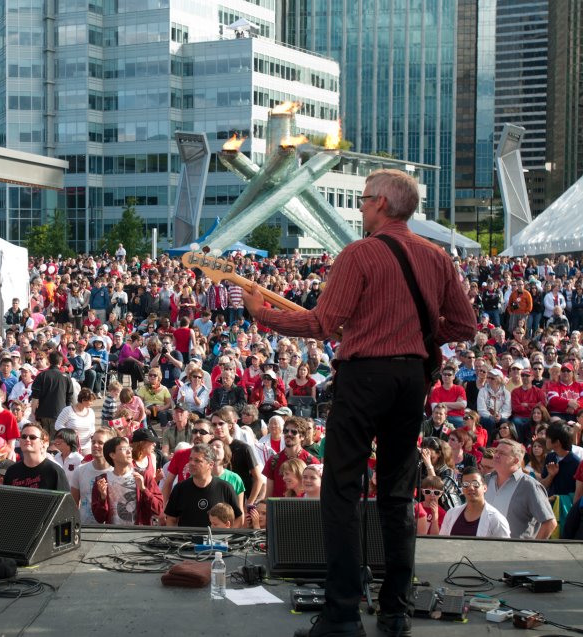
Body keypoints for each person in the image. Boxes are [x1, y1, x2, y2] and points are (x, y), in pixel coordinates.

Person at [243, 169, 476, 637]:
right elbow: (464, 325)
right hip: (412, 378)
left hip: (365, 375)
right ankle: (396, 610)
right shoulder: (437, 257)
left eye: (365, 198)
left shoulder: (360, 253)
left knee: (343, 490)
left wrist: (259, 313)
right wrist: (417, 339)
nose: (362, 207)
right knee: (396, 493)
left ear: (383, 205)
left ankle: (343, 612)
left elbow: (322, 323)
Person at [484, 438, 556, 539]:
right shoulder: (486, 480)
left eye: (502, 453)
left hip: (515, 552)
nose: (496, 456)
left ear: (516, 460)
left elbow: (550, 523)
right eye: (496, 451)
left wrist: (533, 550)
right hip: (483, 549)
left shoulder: (529, 486)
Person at [164, 443, 243, 527]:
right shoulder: (180, 488)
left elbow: (238, 518)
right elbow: (171, 519)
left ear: (211, 464)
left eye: (197, 460)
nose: (192, 463)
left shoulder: (225, 488)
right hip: (187, 540)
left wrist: (228, 538)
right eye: (190, 459)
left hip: (216, 540)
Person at [91, 435, 163, 526]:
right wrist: (103, 498)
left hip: (139, 535)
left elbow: (158, 509)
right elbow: (99, 518)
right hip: (113, 535)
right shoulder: (102, 481)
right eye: (123, 449)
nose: (129, 451)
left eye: (129, 448)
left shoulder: (143, 476)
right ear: (112, 455)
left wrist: (144, 489)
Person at [439, 467, 511, 538]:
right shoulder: (451, 514)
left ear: (485, 488)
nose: (470, 488)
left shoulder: (496, 520)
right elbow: (442, 543)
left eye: (475, 484)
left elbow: (503, 548)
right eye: (466, 484)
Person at [2, 423, 69, 491]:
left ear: (42, 443)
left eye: (32, 437)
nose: (27, 439)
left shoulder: (55, 471)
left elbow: (65, 500)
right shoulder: (12, 471)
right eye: (24, 437)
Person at [69, 428, 115, 524]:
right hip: (85, 527)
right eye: (93, 442)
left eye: (100, 443)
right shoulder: (80, 470)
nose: (95, 445)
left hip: (110, 528)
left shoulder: (115, 472)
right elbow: (73, 504)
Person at [29, 351, 73, 435]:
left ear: (49, 361)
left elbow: (35, 398)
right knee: (55, 443)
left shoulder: (41, 375)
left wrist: (33, 414)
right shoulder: (66, 377)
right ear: (60, 362)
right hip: (60, 415)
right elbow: (69, 400)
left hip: (42, 414)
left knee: (43, 441)